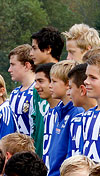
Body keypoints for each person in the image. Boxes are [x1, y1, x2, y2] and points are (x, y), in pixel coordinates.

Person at [45, 60, 83, 176]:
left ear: (68, 85)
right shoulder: (59, 110)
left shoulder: (76, 113)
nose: (50, 86)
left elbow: (73, 156)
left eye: (54, 81)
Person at [30, 27, 65, 157]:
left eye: (34, 48)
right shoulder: (36, 88)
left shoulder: (64, 85)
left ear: (48, 49)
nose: (31, 53)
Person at [7, 44, 36, 136]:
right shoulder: (14, 93)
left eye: (13, 65)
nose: (9, 70)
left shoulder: (38, 92)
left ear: (27, 66)